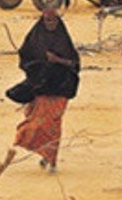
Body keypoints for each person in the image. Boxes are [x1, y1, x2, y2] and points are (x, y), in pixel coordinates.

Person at [13, 9, 80, 173]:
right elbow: (25, 58)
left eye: (54, 21)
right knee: (36, 123)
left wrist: (58, 61)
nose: (51, 24)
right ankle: (44, 153)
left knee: (53, 125)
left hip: (60, 88)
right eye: (48, 21)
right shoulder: (35, 38)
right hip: (41, 87)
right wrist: (39, 67)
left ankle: (52, 160)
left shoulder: (63, 40)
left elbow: (74, 64)